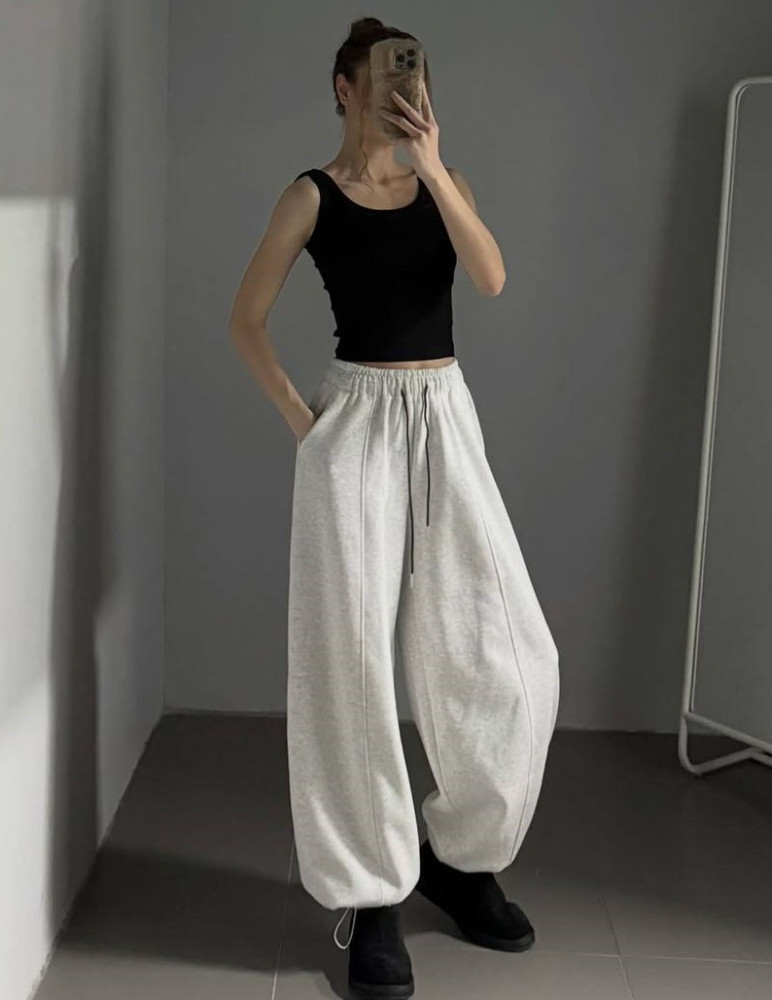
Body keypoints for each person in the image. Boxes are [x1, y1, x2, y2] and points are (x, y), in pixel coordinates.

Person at [228, 16, 560, 1000]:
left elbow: (490, 277)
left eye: (411, 74)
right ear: (344, 86)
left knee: (507, 656)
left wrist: (435, 165)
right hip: (357, 424)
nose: (398, 88)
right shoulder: (311, 194)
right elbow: (246, 320)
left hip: (444, 415)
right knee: (351, 666)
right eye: (380, 74)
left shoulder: (442, 185)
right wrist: (309, 429)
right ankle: (372, 893)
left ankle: (459, 858)